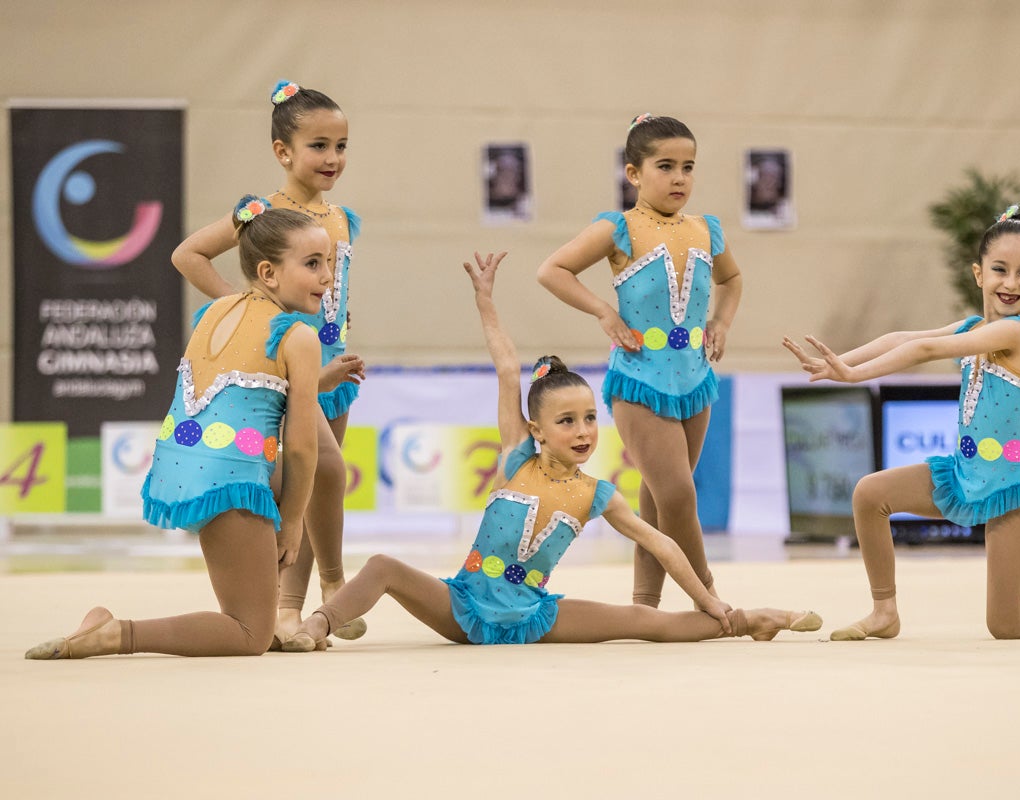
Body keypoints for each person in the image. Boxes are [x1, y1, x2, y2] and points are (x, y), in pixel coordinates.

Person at [280, 252, 818, 651]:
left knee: (646, 623)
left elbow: (660, 542)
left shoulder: (597, 493)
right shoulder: (517, 456)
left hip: (535, 616)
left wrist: (710, 601)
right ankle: (315, 625)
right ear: (537, 428)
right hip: (464, 606)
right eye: (567, 421)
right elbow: (507, 366)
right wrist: (485, 301)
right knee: (380, 566)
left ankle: (753, 619)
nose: (583, 431)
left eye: (589, 418)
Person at [783, 206, 1020, 640]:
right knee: (870, 494)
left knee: (1006, 624)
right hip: (963, 475)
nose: (1010, 282)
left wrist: (854, 376)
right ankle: (884, 611)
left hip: (1009, 484)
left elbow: (927, 353)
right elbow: (904, 340)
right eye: (1000, 269)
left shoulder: (1019, 334)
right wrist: (836, 364)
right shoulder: (973, 325)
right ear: (979, 273)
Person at [26, 200, 328, 658]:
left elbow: (245, 393)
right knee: (249, 635)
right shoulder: (299, 337)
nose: (328, 277)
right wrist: (291, 527)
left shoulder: (215, 310)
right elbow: (305, 449)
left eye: (328, 262)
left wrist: (246, 218)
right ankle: (118, 632)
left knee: (264, 619)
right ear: (268, 273)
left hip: (182, 464)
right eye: (312, 264)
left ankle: (274, 609)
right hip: (230, 476)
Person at [171, 80, 366, 645]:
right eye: (319, 146)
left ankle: (288, 611)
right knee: (320, 471)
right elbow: (188, 253)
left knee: (306, 489)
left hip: (331, 366)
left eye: (342, 145)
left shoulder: (344, 219)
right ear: (284, 152)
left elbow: (336, 290)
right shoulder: (265, 213)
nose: (333, 158)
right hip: (282, 367)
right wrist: (247, 311)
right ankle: (335, 586)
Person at [536, 114, 742, 608]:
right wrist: (603, 310)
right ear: (634, 173)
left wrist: (722, 323)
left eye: (688, 167)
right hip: (640, 379)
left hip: (695, 379)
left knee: (660, 499)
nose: (678, 178)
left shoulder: (705, 228)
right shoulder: (619, 228)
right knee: (677, 497)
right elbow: (553, 270)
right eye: (665, 166)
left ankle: (645, 603)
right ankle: (710, 600)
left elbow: (732, 281)